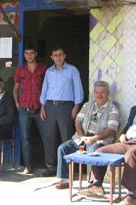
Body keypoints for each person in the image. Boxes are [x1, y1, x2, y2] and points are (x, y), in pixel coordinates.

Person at [80, 80, 136, 205]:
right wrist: (123, 134)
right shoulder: (134, 109)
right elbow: (129, 126)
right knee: (100, 151)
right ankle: (97, 185)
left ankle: (131, 196)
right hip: (127, 142)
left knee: (130, 155)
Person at [54, 81, 120, 189]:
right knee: (63, 148)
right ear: (94, 93)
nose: (99, 95)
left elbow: (111, 130)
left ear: (108, 93)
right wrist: (82, 136)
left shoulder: (112, 109)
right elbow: (78, 121)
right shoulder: (87, 105)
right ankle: (65, 180)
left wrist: (94, 138)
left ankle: (92, 183)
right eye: (97, 92)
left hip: (99, 140)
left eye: (103, 92)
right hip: (82, 137)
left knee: (92, 151)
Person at [39, 45, 84, 177]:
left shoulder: (72, 70)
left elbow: (78, 89)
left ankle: (68, 168)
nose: (58, 57)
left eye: (60, 55)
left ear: (64, 56)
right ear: (52, 57)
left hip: (66, 106)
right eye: (55, 55)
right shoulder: (49, 72)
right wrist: (43, 107)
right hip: (50, 106)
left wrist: (76, 106)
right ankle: (51, 166)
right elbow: (44, 90)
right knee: (49, 137)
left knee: (67, 137)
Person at [13, 45, 48, 174]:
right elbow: (15, 88)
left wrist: (45, 105)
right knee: (25, 138)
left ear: (36, 54)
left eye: (32, 53)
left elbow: (48, 87)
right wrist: (17, 102)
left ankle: (50, 165)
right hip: (24, 108)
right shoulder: (20, 70)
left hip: (40, 108)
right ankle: (28, 165)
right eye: (27, 53)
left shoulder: (43, 68)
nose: (29, 56)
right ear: (24, 55)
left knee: (46, 137)